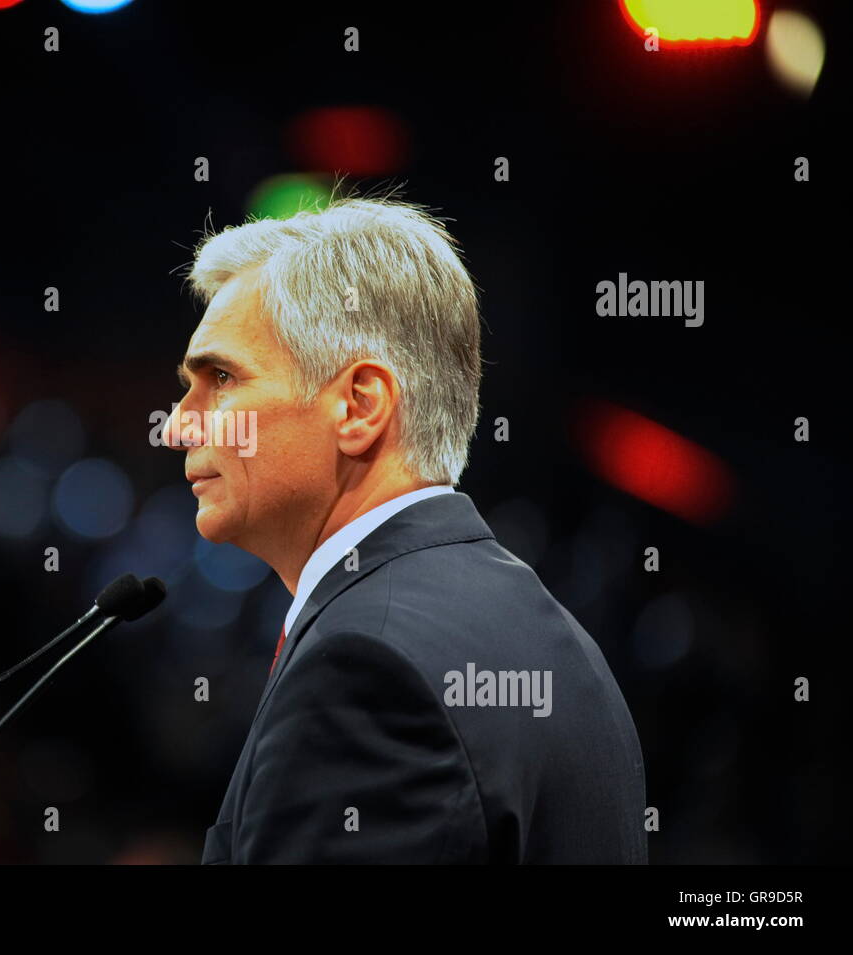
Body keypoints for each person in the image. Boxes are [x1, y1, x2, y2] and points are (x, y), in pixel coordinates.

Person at [167, 197, 647, 863]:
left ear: (359, 406)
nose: (178, 425)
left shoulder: (365, 670)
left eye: (220, 378)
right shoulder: (559, 640)